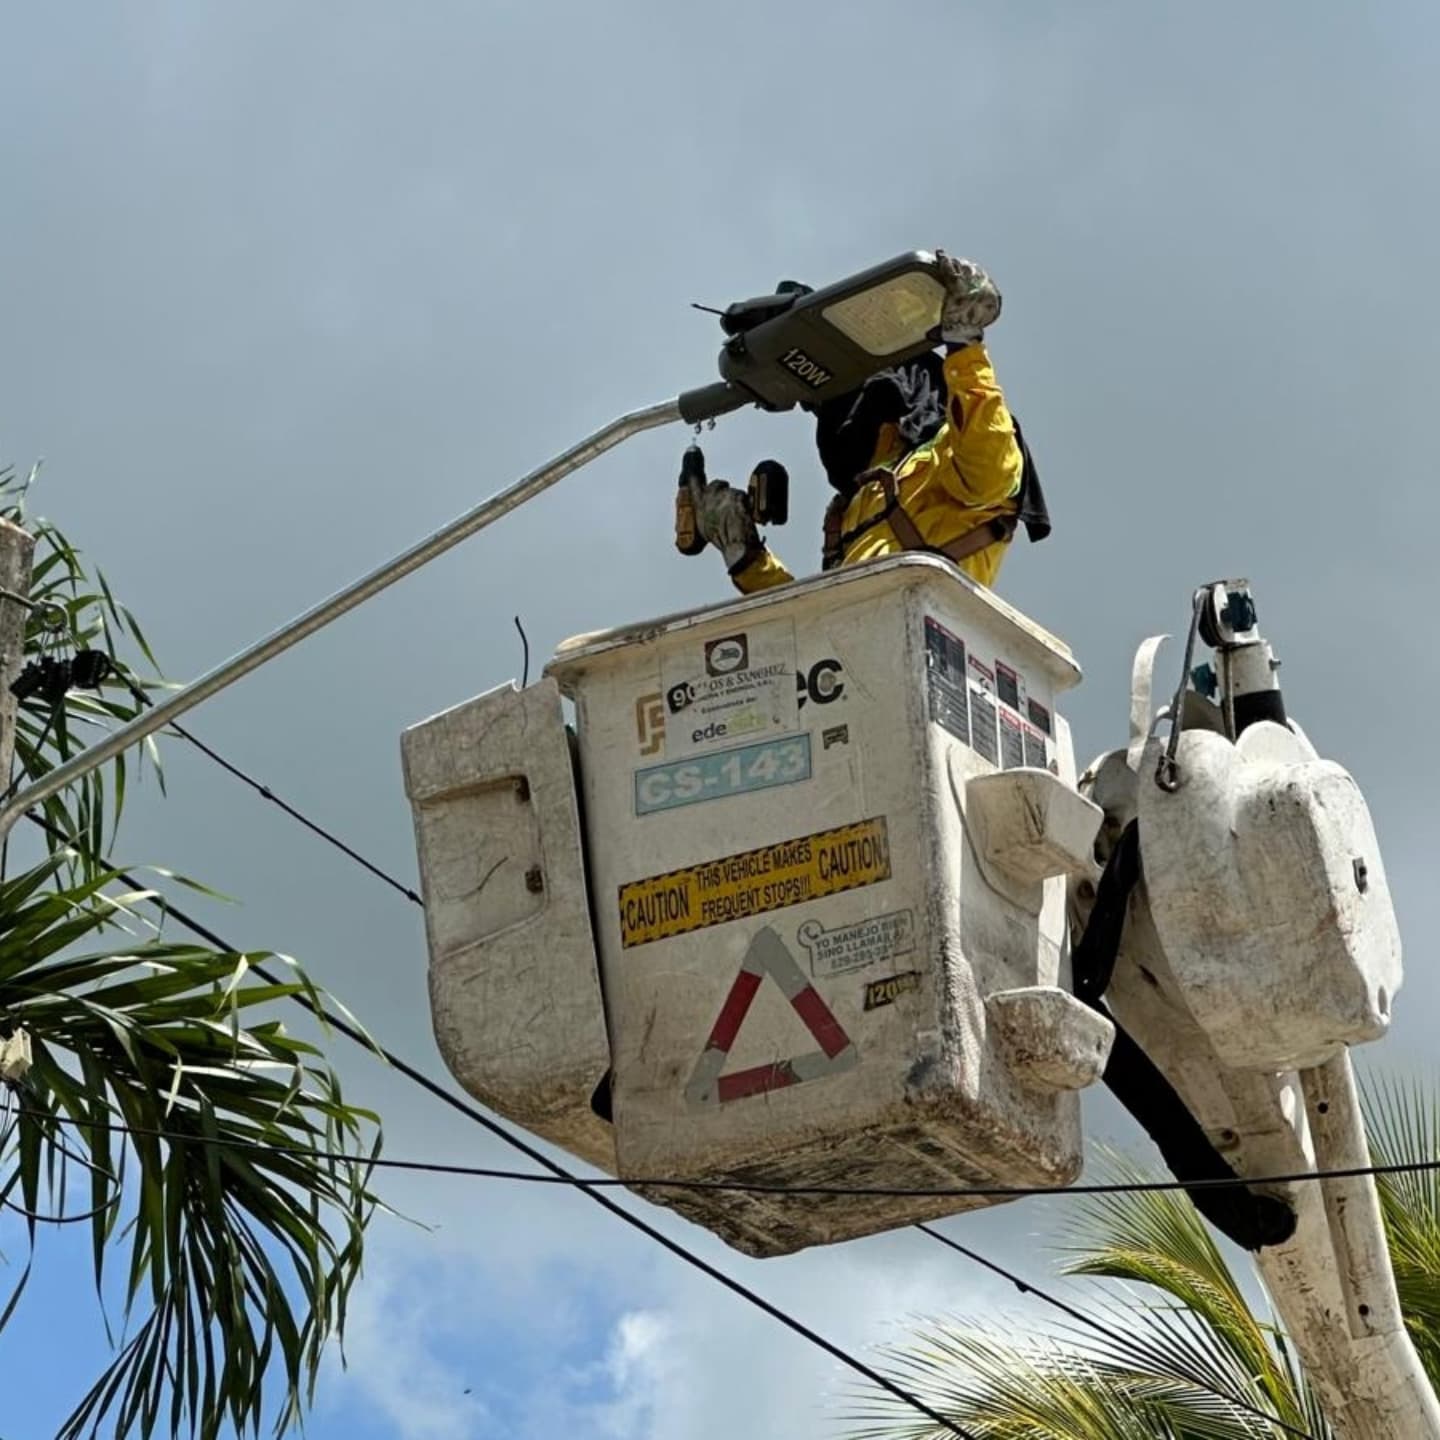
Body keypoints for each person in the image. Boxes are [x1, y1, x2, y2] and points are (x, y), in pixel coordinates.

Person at [687, 252, 1049, 594]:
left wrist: (964, 347)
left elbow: (987, 459)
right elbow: (824, 624)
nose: (840, 422)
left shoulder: (950, 461)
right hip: (875, 647)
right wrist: (745, 556)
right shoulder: (855, 508)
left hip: (923, 641)